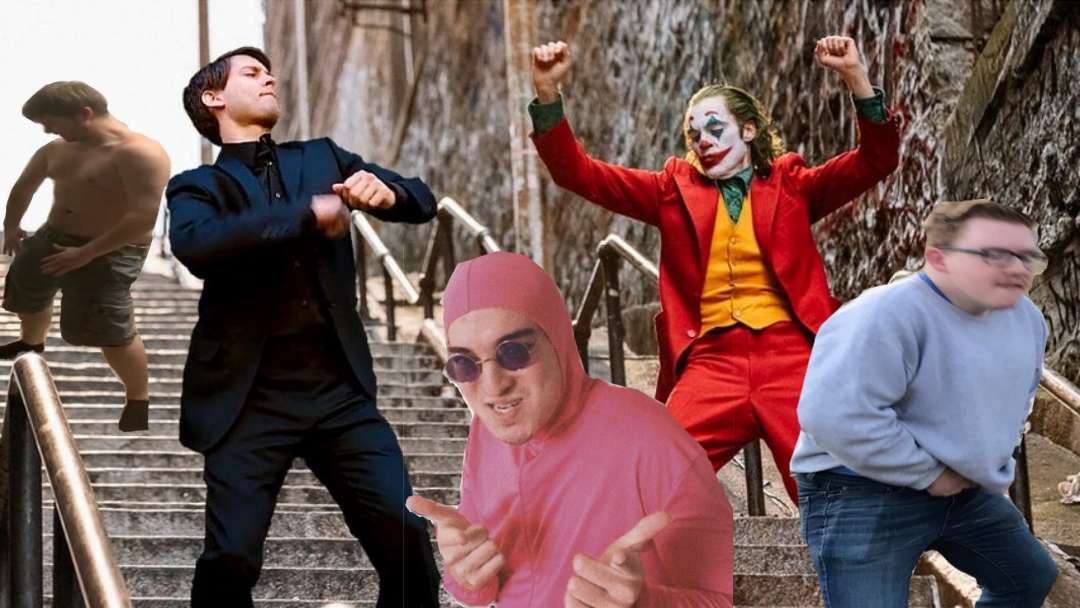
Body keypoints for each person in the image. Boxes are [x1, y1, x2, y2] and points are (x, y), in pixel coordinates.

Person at [528, 37, 900, 501]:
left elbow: (876, 160)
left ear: (748, 131)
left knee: (833, 488)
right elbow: (579, 173)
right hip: (711, 361)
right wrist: (548, 94)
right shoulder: (671, 190)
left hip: (792, 356)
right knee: (652, 475)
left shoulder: (791, 184)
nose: (703, 141)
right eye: (694, 135)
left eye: (714, 128)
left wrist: (855, 76)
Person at [168, 47, 439, 607]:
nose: (270, 78)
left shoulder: (322, 157)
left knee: (407, 534)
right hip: (247, 401)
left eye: (269, 72)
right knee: (230, 559)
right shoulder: (197, 187)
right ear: (213, 98)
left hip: (338, 393)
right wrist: (305, 214)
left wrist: (388, 193)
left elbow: (422, 200)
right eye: (252, 73)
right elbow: (197, 245)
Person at [408, 251, 734, 607]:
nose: (493, 387)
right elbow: (491, 580)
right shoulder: (485, 433)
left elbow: (718, 600)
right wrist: (467, 575)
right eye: (464, 364)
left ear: (558, 339)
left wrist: (645, 603)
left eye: (513, 352)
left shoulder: (651, 438)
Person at [790, 199, 1059, 607]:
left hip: (962, 489)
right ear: (938, 258)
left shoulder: (1027, 319)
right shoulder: (883, 314)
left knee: (1029, 576)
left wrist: (988, 464)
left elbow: (1017, 400)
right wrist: (928, 473)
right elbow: (833, 416)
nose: (1017, 269)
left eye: (1026, 257)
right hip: (857, 489)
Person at [2, 81, 170, 431]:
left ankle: (137, 399)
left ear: (84, 114)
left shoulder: (141, 154)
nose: (48, 131)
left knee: (110, 329)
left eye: (52, 123)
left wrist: (86, 254)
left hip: (111, 250)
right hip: (53, 236)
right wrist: (11, 226)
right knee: (25, 285)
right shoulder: (56, 150)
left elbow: (142, 218)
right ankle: (32, 342)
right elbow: (24, 187)